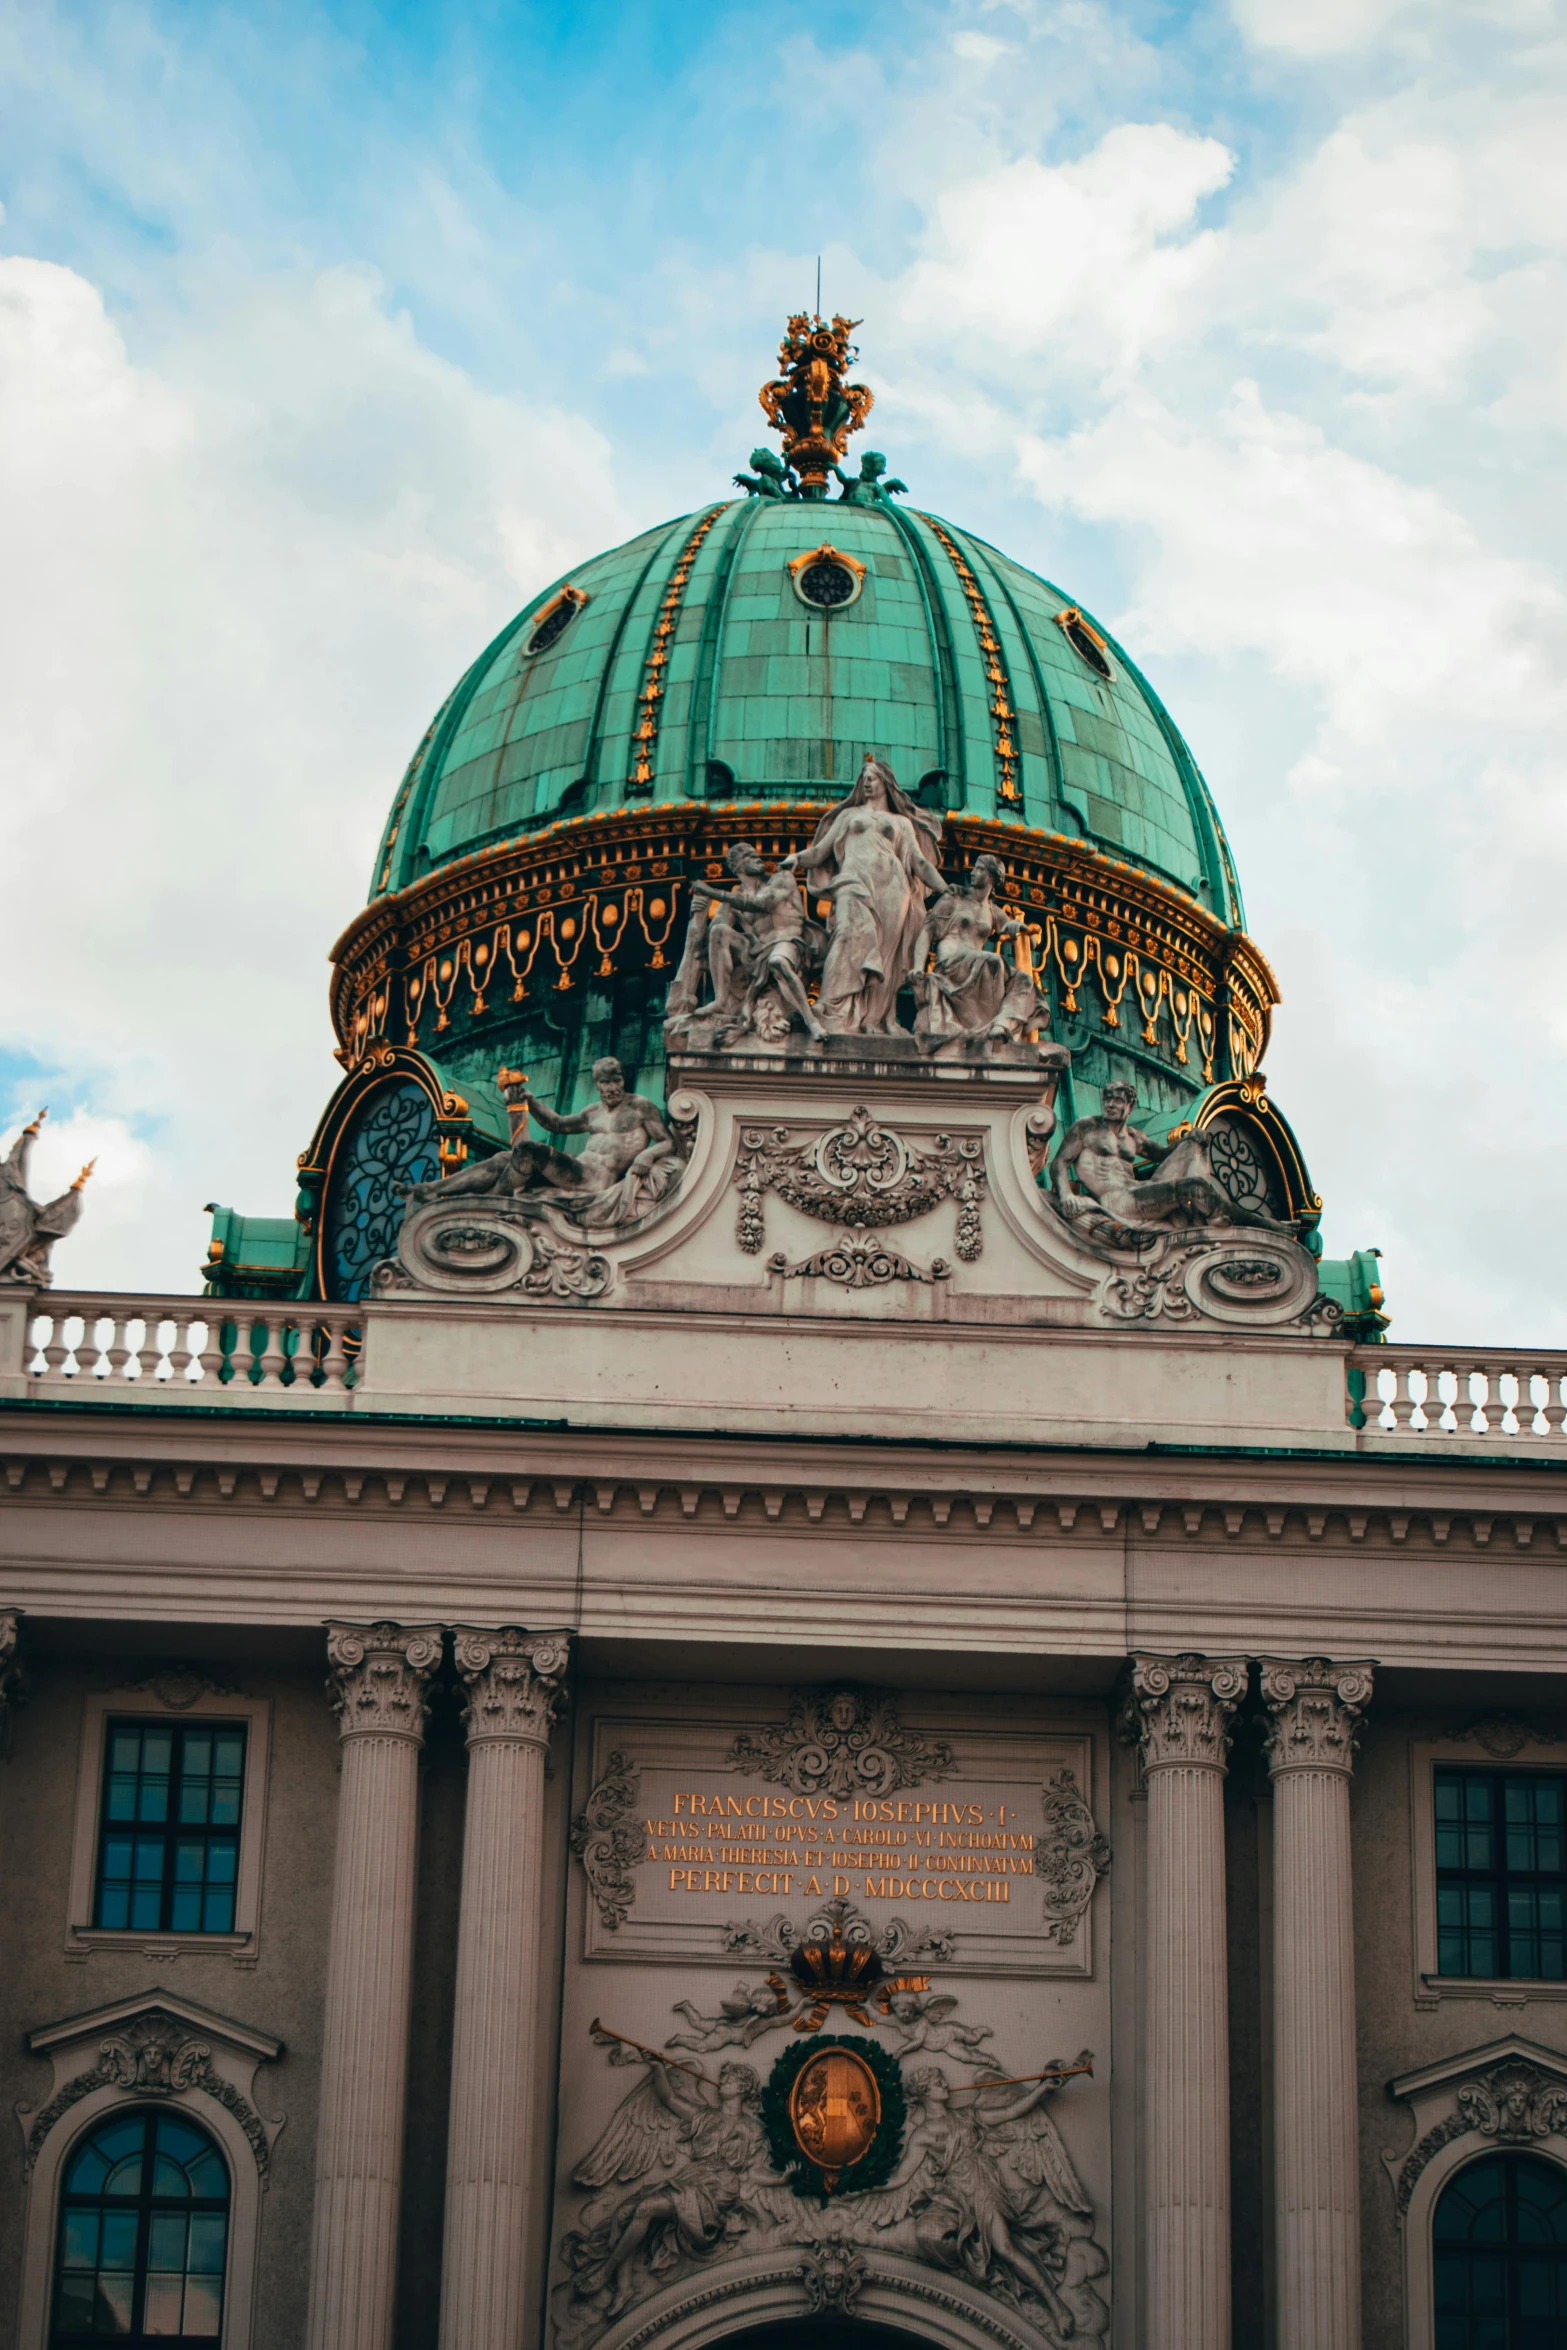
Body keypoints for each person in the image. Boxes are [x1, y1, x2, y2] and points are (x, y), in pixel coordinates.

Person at [404, 1057, 677, 1229]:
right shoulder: (593, 1111)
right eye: (605, 1082)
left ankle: (489, 1201)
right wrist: (531, 1102)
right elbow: (556, 1124)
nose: (612, 1087)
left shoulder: (641, 1107)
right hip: (574, 1170)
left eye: (616, 1080)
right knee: (503, 1158)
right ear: (597, 1085)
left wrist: (647, 1156)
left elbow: (667, 1142)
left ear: (623, 1079)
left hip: (593, 1181)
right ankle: (432, 1189)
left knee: (524, 1151)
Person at [781, 755, 946, 1035]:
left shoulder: (902, 823)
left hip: (893, 887)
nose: (867, 783)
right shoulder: (848, 815)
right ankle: (833, 1007)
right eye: (864, 779)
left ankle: (875, 1019)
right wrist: (796, 858)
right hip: (852, 882)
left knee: (886, 952)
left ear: (886, 783)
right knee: (846, 936)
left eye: (873, 778)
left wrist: (945, 888)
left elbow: (919, 863)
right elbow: (820, 852)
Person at [1052, 1078, 1293, 1239]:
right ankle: (1264, 1225)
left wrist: (1191, 1138)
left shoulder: (1133, 1136)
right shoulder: (1086, 1127)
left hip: (1138, 1191)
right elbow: (1060, 1163)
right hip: (1115, 1200)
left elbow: (1164, 1155)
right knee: (1194, 1188)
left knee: (1193, 1145)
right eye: (1108, 1099)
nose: (1110, 1105)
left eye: (1117, 1100)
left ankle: (1202, 1215)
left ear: (1130, 1107)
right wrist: (1066, 1194)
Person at [911, 853, 1049, 1052]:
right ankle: (990, 1029)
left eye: (980, 869)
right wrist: (917, 968)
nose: (973, 873)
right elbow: (927, 932)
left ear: (992, 877)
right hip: (950, 964)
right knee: (994, 962)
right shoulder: (954, 898)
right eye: (975, 868)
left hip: (975, 965)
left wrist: (1020, 929)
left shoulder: (992, 910)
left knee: (1025, 981)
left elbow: (1024, 935)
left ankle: (1002, 1025)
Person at [690, 842, 826, 1042]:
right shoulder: (734, 901)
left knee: (778, 962)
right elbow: (710, 940)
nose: (758, 860)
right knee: (719, 932)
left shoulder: (782, 879)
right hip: (757, 951)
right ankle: (720, 1000)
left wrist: (711, 892)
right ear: (738, 866)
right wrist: (698, 918)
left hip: (789, 941)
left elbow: (763, 904)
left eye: (757, 856)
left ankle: (811, 1022)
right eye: (751, 857)